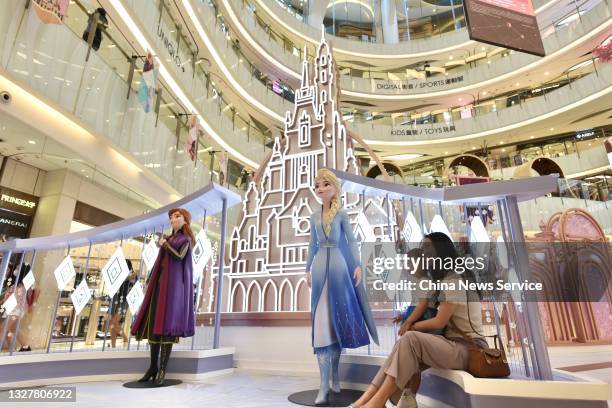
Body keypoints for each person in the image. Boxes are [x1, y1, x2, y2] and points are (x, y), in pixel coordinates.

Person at [350, 232, 486, 408]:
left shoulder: (454, 279)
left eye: (428, 247)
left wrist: (411, 325)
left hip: (468, 348)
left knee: (410, 339)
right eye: (423, 247)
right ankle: (367, 399)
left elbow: (439, 322)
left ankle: (376, 402)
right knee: (402, 345)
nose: (424, 251)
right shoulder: (443, 280)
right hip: (452, 344)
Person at [305, 168, 379, 406]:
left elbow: (352, 241)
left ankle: (334, 374)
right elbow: (311, 246)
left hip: (339, 269)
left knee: (336, 324)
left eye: (325, 184)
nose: (320, 189)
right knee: (320, 326)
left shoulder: (342, 215)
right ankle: (323, 385)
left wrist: (356, 265)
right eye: (317, 185)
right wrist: (307, 268)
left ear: (335, 188)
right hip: (318, 273)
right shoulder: (314, 218)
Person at [131, 208, 195, 386]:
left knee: (167, 327)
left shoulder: (185, 239)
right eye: (171, 217)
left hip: (173, 289)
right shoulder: (169, 238)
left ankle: (162, 369)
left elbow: (180, 257)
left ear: (185, 220)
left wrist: (164, 245)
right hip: (159, 286)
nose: (172, 220)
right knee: (154, 326)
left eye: (177, 217)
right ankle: (153, 367)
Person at [0, 262, 32, 352]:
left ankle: (23, 348)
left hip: (15, 310)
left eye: (18, 268)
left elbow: (14, 298)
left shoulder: (20, 285)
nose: (15, 270)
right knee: (13, 329)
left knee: (3, 329)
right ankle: (25, 347)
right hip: (14, 310)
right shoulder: (18, 284)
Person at [109, 259, 137, 348]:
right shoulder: (119, 274)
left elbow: (130, 278)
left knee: (113, 323)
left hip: (123, 301)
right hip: (116, 299)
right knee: (113, 325)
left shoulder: (130, 274)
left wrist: (135, 274)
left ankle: (125, 337)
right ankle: (113, 345)